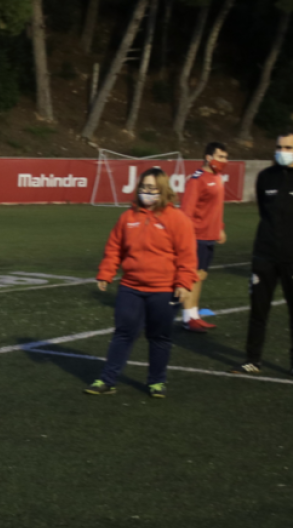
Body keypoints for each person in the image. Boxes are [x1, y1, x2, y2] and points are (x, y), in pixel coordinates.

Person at [87, 167, 197, 398]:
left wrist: (184, 283)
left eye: (153, 189)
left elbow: (187, 255)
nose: (148, 192)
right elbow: (114, 247)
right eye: (145, 187)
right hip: (131, 288)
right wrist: (106, 273)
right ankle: (107, 380)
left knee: (159, 336)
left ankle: (156, 382)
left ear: (164, 190)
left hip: (164, 291)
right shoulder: (128, 217)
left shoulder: (177, 219)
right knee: (123, 333)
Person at [232, 129, 293, 374]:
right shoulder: (266, 177)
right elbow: (264, 213)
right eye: (279, 147)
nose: (282, 152)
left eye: (288, 148)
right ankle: (252, 360)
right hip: (264, 255)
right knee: (258, 310)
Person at [179, 142, 229, 333]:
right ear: (209, 157)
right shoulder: (197, 179)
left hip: (209, 235)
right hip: (197, 236)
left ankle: (193, 315)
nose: (224, 161)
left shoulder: (216, 177)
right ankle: (188, 318)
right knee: (194, 276)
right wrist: (187, 238)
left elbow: (216, 207)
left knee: (201, 276)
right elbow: (186, 212)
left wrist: (220, 228)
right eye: (221, 156)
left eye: (225, 157)